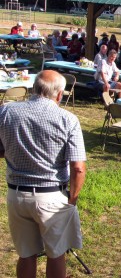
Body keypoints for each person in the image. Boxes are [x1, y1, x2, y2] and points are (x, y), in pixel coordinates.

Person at [0, 70, 86, 278]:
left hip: (17, 195)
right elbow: (78, 168)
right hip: (51, 196)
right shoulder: (68, 119)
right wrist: (72, 201)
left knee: (26, 254)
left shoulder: (6, 112)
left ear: (34, 87)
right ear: (59, 95)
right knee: (56, 254)